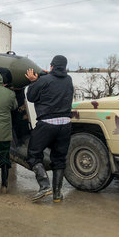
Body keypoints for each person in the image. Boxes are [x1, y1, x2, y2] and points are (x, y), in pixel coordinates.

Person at [25, 55, 74, 202]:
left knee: (33, 154)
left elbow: (31, 97)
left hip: (47, 124)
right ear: (64, 67)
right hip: (65, 124)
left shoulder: (44, 81)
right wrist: (44, 75)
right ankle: (57, 194)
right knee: (59, 159)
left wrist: (34, 81)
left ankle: (44, 185)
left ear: (52, 66)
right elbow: (56, 79)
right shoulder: (69, 79)